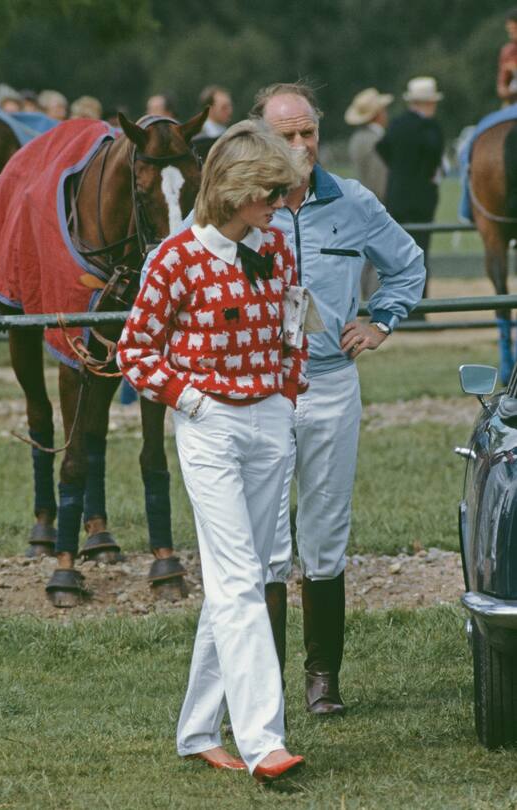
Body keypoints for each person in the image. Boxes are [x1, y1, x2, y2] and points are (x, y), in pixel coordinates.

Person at [117, 120, 307, 781]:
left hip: (269, 420)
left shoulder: (276, 246)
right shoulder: (174, 258)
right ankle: (264, 742)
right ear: (234, 190)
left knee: (241, 579)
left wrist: (286, 389)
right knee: (238, 580)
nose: (280, 203)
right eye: (271, 192)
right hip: (210, 426)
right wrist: (192, 401)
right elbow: (135, 350)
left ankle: (198, 730)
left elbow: (292, 322)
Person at [249, 82, 425, 716]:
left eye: (309, 132)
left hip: (330, 383)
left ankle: (323, 678)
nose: (300, 144)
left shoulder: (353, 201)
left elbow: (408, 264)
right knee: (265, 539)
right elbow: (178, 260)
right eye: (286, 135)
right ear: (260, 136)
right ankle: (261, 684)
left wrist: (381, 320)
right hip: (260, 391)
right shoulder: (237, 204)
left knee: (325, 532)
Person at [376, 76, 444, 299]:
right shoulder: (431, 127)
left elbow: (382, 147)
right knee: (420, 254)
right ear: (428, 103)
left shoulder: (396, 124)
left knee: (397, 255)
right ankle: (419, 306)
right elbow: (434, 158)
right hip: (422, 200)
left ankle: (397, 302)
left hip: (396, 197)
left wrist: (398, 170)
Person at [345, 87, 393, 298]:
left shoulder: (358, 138)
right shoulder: (375, 141)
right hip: (375, 204)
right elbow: (379, 179)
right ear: (378, 114)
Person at [193, 85, 234, 162]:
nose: (230, 111)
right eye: (224, 107)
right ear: (209, 109)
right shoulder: (196, 138)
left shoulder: (231, 134)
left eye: (230, 106)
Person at [498, 7, 517, 105]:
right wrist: (511, 93)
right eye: (510, 31)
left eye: (514, 30)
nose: (511, 35)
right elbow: (502, 87)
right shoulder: (508, 52)